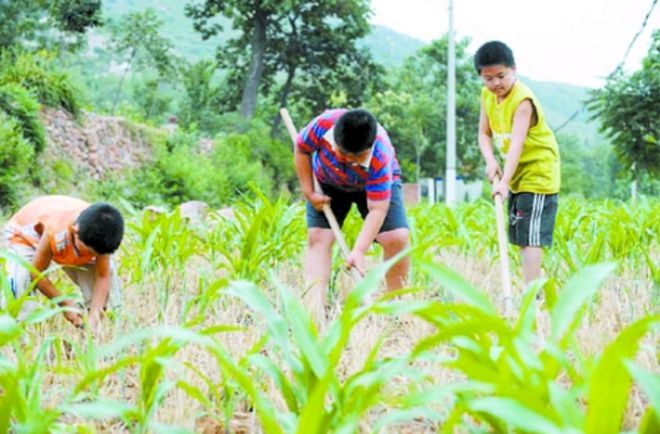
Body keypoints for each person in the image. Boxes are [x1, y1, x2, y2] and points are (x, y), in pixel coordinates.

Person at [294, 108, 410, 313]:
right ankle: (315, 309)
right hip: (327, 181)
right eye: (341, 153)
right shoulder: (323, 124)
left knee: (396, 237)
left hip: (370, 187)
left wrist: (359, 250)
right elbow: (301, 148)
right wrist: (309, 191)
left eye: (354, 157)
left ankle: (397, 306)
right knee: (318, 236)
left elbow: (377, 208)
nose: (346, 159)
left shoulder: (381, 155)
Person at [474, 41, 561, 285]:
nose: (495, 84)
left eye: (501, 76)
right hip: (516, 173)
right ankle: (532, 289)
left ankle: (530, 296)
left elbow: (517, 144)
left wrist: (504, 181)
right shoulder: (487, 96)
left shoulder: (523, 101)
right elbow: (484, 133)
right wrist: (490, 161)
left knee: (531, 237)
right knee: (521, 234)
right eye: (488, 78)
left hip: (538, 171)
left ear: (514, 69)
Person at [2, 195, 124, 331]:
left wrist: (94, 316)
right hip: (24, 236)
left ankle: (91, 331)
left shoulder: (101, 234)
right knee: (20, 282)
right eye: (87, 252)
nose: (90, 257)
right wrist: (64, 303)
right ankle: (19, 332)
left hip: (69, 241)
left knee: (107, 279)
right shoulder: (55, 229)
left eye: (96, 255)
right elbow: (36, 273)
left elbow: (102, 276)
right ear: (75, 232)